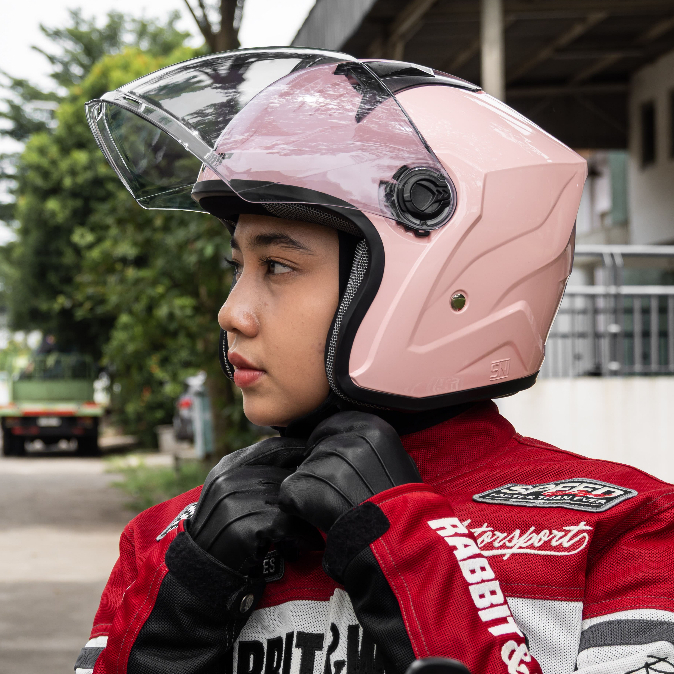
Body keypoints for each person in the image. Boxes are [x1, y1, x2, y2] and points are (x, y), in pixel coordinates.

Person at [76, 49, 674, 674]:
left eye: (276, 266)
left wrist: (407, 556)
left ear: (435, 278)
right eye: (238, 266)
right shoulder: (171, 541)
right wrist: (180, 612)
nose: (232, 313)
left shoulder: (625, 530)